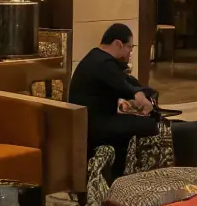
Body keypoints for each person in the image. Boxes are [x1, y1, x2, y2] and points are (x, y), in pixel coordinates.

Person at [69, 23, 160, 179]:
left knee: (135, 122)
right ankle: (138, 178)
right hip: (95, 126)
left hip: (93, 121)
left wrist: (146, 93)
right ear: (118, 44)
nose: (130, 53)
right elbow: (125, 86)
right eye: (129, 48)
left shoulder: (96, 57)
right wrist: (140, 96)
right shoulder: (103, 63)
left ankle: (121, 174)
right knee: (151, 126)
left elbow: (126, 82)